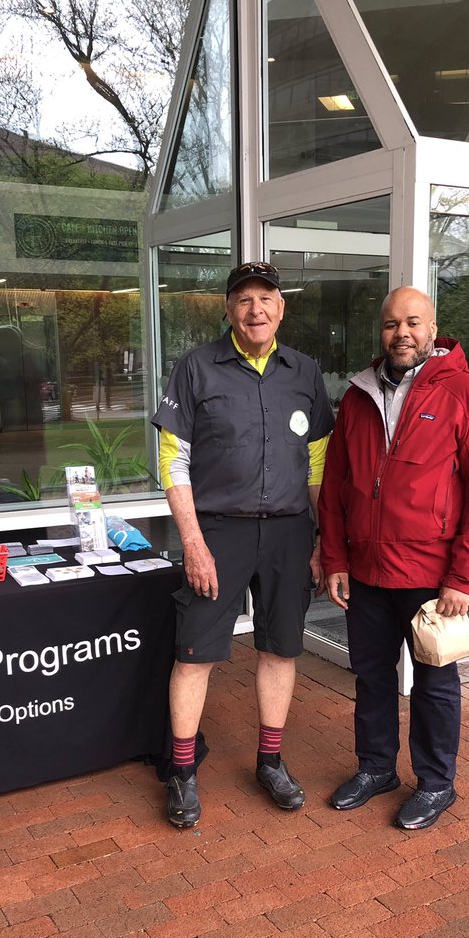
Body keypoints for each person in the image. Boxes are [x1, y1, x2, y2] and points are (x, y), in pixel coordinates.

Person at [152, 262, 334, 829]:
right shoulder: (196, 368)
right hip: (218, 532)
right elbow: (171, 461)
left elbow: (319, 463)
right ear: (228, 311)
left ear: (282, 308)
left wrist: (321, 538)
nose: (256, 309)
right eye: (244, 299)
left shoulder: (304, 371)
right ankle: (182, 772)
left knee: (280, 648)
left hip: (287, 532)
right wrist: (193, 542)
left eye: (266, 298)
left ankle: (271, 761)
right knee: (195, 653)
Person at [318, 287, 469, 831]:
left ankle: (436, 782)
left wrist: (463, 578)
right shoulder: (357, 396)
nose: (401, 332)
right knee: (371, 679)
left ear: (433, 329)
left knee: (435, 684)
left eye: (413, 322)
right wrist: (335, 558)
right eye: (391, 324)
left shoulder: (467, 396)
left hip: (431, 578)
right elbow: (336, 487)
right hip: (367, 575)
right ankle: (376, 768)